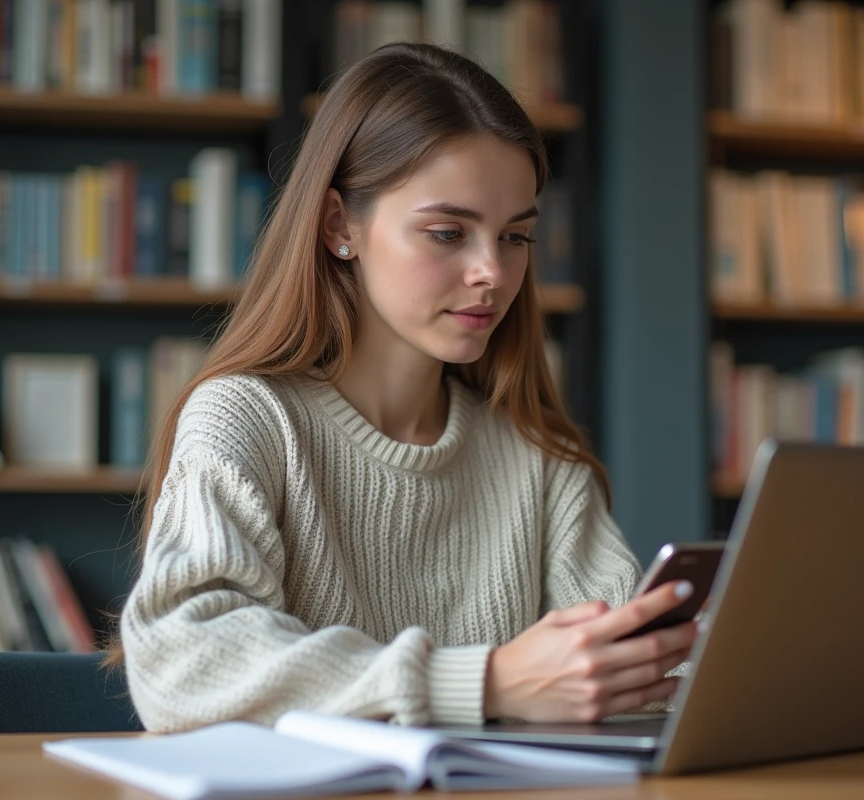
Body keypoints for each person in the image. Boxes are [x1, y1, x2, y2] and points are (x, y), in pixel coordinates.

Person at [111, 42, 698, 734]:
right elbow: (181, 664)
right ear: (340, 227)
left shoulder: (536, 454)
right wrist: (482, 683)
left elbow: (644, 677)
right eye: (448, 232)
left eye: (515, 238)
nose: (492, 272)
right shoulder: (248, 419)